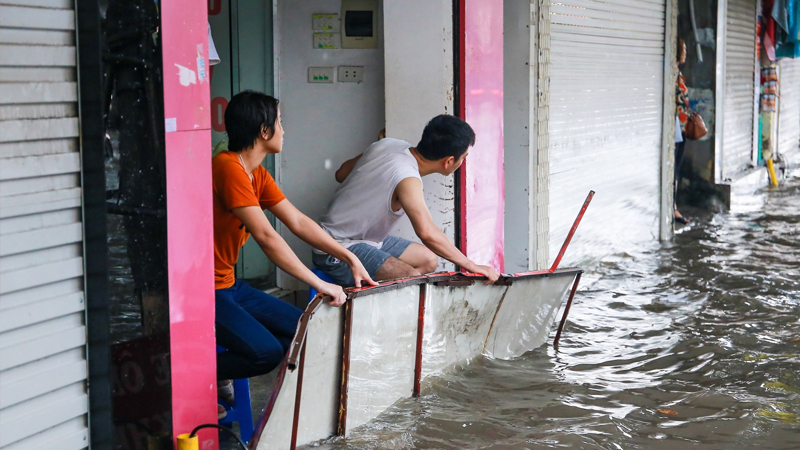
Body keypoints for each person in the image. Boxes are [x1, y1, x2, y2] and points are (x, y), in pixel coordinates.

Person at [213, 90, 376, 416]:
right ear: (263, 130)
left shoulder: (255, 173)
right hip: (206, 292)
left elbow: (299, 221)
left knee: (309, 327)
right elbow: (267, 236)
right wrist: (323, 285)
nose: (284, 130)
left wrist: (350, 257)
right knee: (265, 353)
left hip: (229, 285)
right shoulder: (227, 167)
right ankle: (193, 372)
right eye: (280, 122)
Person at [314, 115, 500, 286]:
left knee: (428, 260)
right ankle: (362, 299)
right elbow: (427, 233)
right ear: (449, 161)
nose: (462, 163)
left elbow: (341, 174)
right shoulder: (407, 178)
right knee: (411, 279)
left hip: (364, 239)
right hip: (335, 248)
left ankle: (373, 290)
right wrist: (471, 265)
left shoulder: (387, 144)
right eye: (463, 158)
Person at [675, 38, 691, 225]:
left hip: (680, 129)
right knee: (675, 170)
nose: (685, 52)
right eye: (683, 49)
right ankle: (673, 209)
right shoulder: (674, 73)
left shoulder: (677, 73)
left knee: (677, 170)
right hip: (676, 130)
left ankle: (674, 207)